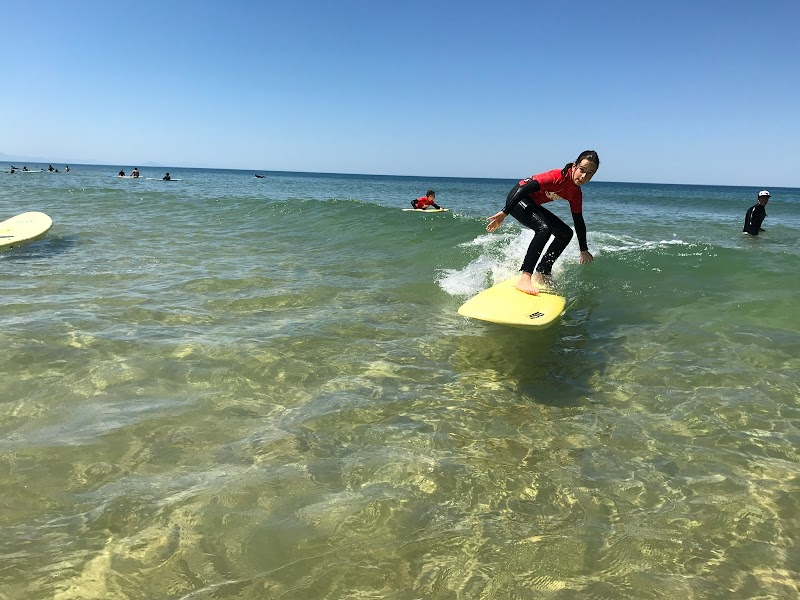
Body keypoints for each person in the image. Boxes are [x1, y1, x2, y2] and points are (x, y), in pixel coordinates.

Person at [486, 150, 600, 295]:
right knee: (544, 229)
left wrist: (583, 249)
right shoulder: (556, 177)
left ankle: (542, 273)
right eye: (582, 170)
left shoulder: (575, 193)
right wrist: (505, 212)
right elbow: (522, 188)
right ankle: (525, 278)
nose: (584, 176)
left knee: (565, 233)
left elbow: (578, 220)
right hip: (517, 198)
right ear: (574, 166)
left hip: (531, 203)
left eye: (590, 173)